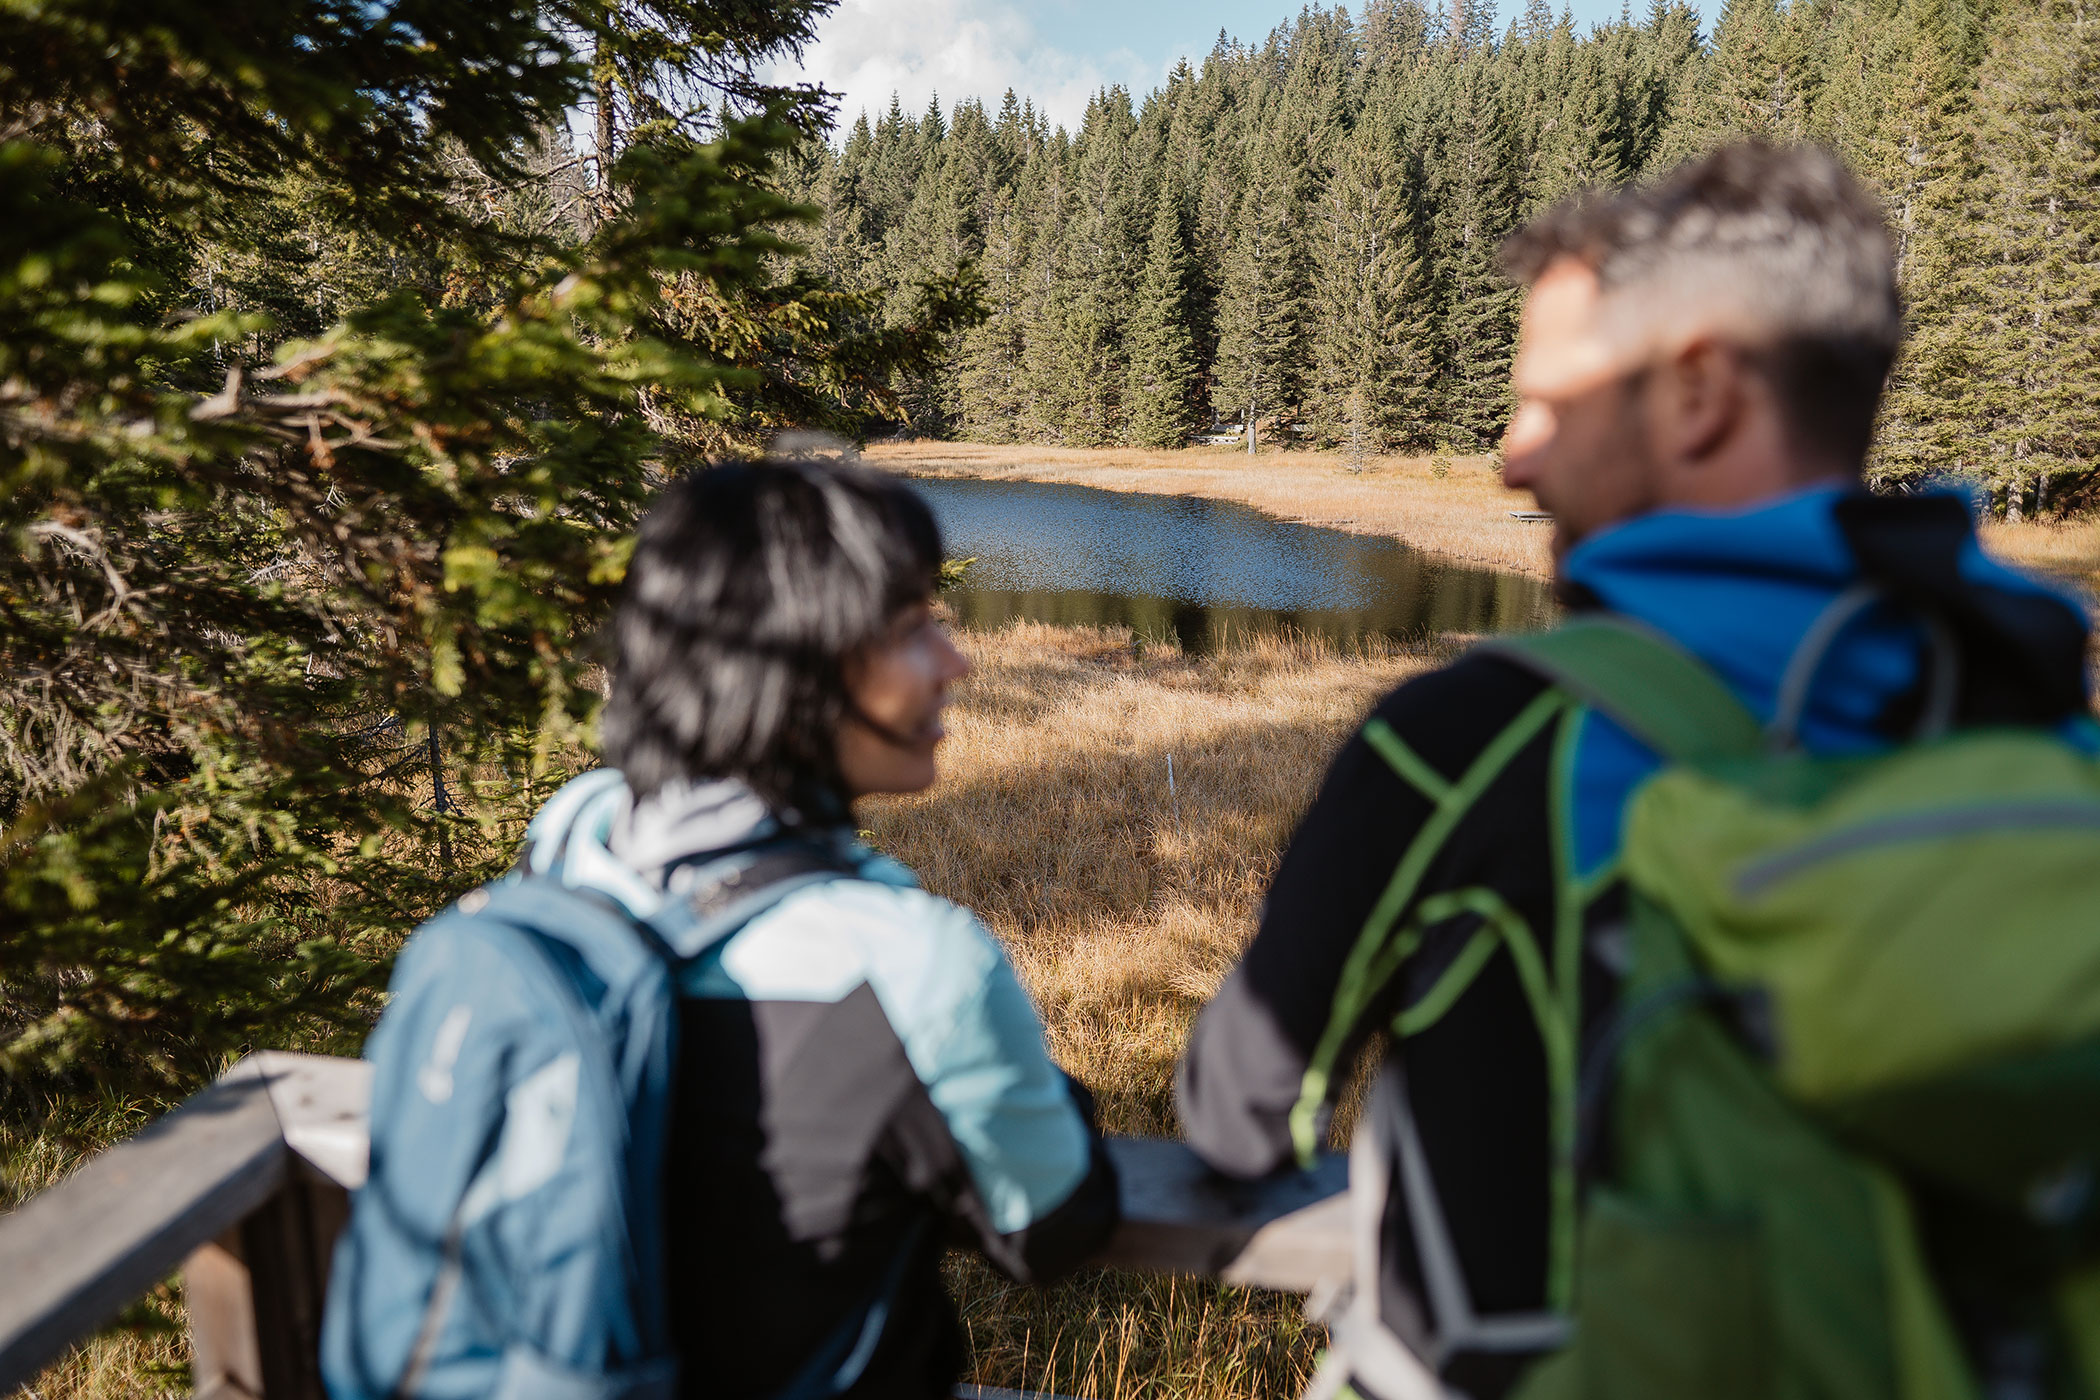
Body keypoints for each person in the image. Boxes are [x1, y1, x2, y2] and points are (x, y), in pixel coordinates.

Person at [1175, 142, 2093, 1399]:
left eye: (1551, 404)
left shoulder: (1474, 740)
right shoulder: (2034, 715)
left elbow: (1242, 1114)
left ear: (1700, 391)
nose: (1514, 456)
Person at [325, 456, 1118, 1400]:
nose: (957, 662)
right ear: (794, 668)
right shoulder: (910, 964)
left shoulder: (567, 847)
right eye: (912, 631)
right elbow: (1050, 1231)